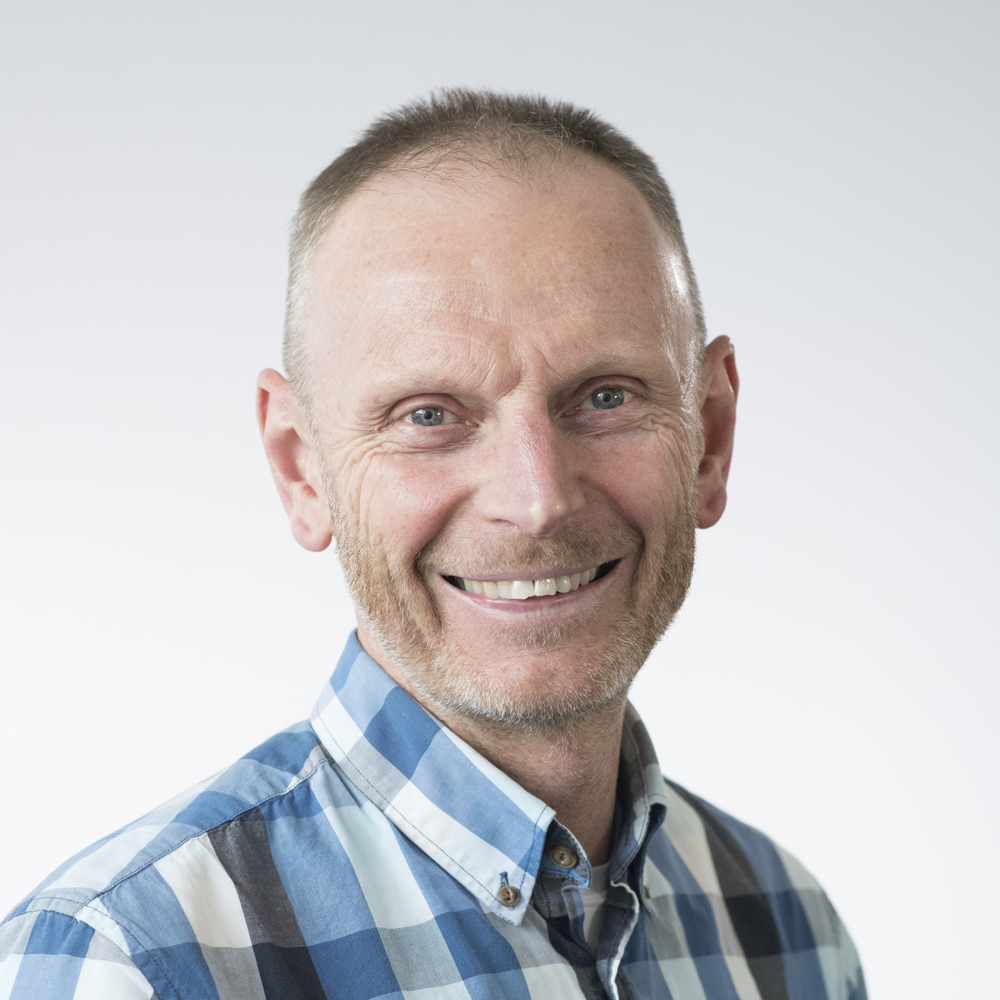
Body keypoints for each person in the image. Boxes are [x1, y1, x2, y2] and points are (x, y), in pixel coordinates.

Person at [0, 90, 866, 1000]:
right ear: (301, 469)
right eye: (428, 415)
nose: (536, 502)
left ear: (711, 437)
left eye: (606, 397)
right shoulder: (123, 964)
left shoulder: (787, 928)